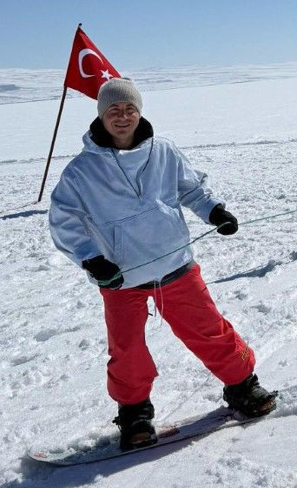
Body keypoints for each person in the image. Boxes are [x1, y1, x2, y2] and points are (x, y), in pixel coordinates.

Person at [49, 77, 275, 450]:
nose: (123, 117)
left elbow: (191, 188)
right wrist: (91, 259)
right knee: (127, 349)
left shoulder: (164, 151)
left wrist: (214, 211)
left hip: (176, 266)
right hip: (121, 278)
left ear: (139, 112)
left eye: (130, 109)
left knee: (208, 330)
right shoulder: (80, 171)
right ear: (101, 115)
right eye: (114, 110)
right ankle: (135, 414)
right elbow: (64, 219)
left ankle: (243, 388)